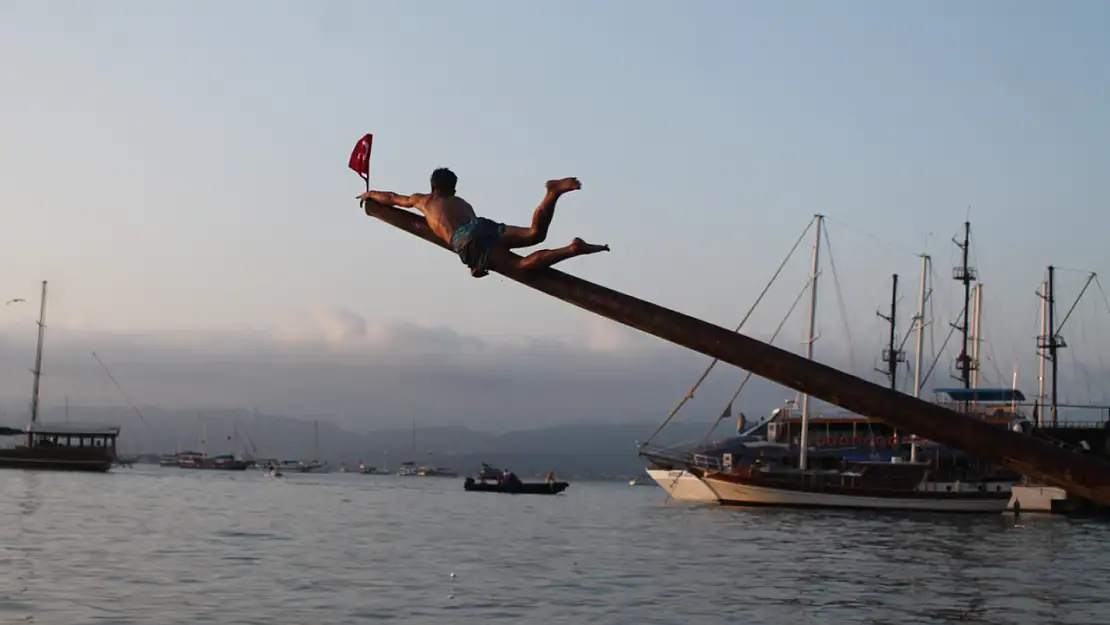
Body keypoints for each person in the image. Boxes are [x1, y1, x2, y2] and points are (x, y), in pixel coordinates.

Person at [358, 168, 609, 278]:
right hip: (481, 224)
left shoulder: (424, 201)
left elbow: (392, 199)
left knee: (520, 264)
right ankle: (552, 193)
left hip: (465, 237)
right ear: (453, 187)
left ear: (433, 186)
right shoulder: (463, 203)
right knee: (534, 233)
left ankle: (571, 249)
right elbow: (476, 229)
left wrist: (371, 194)